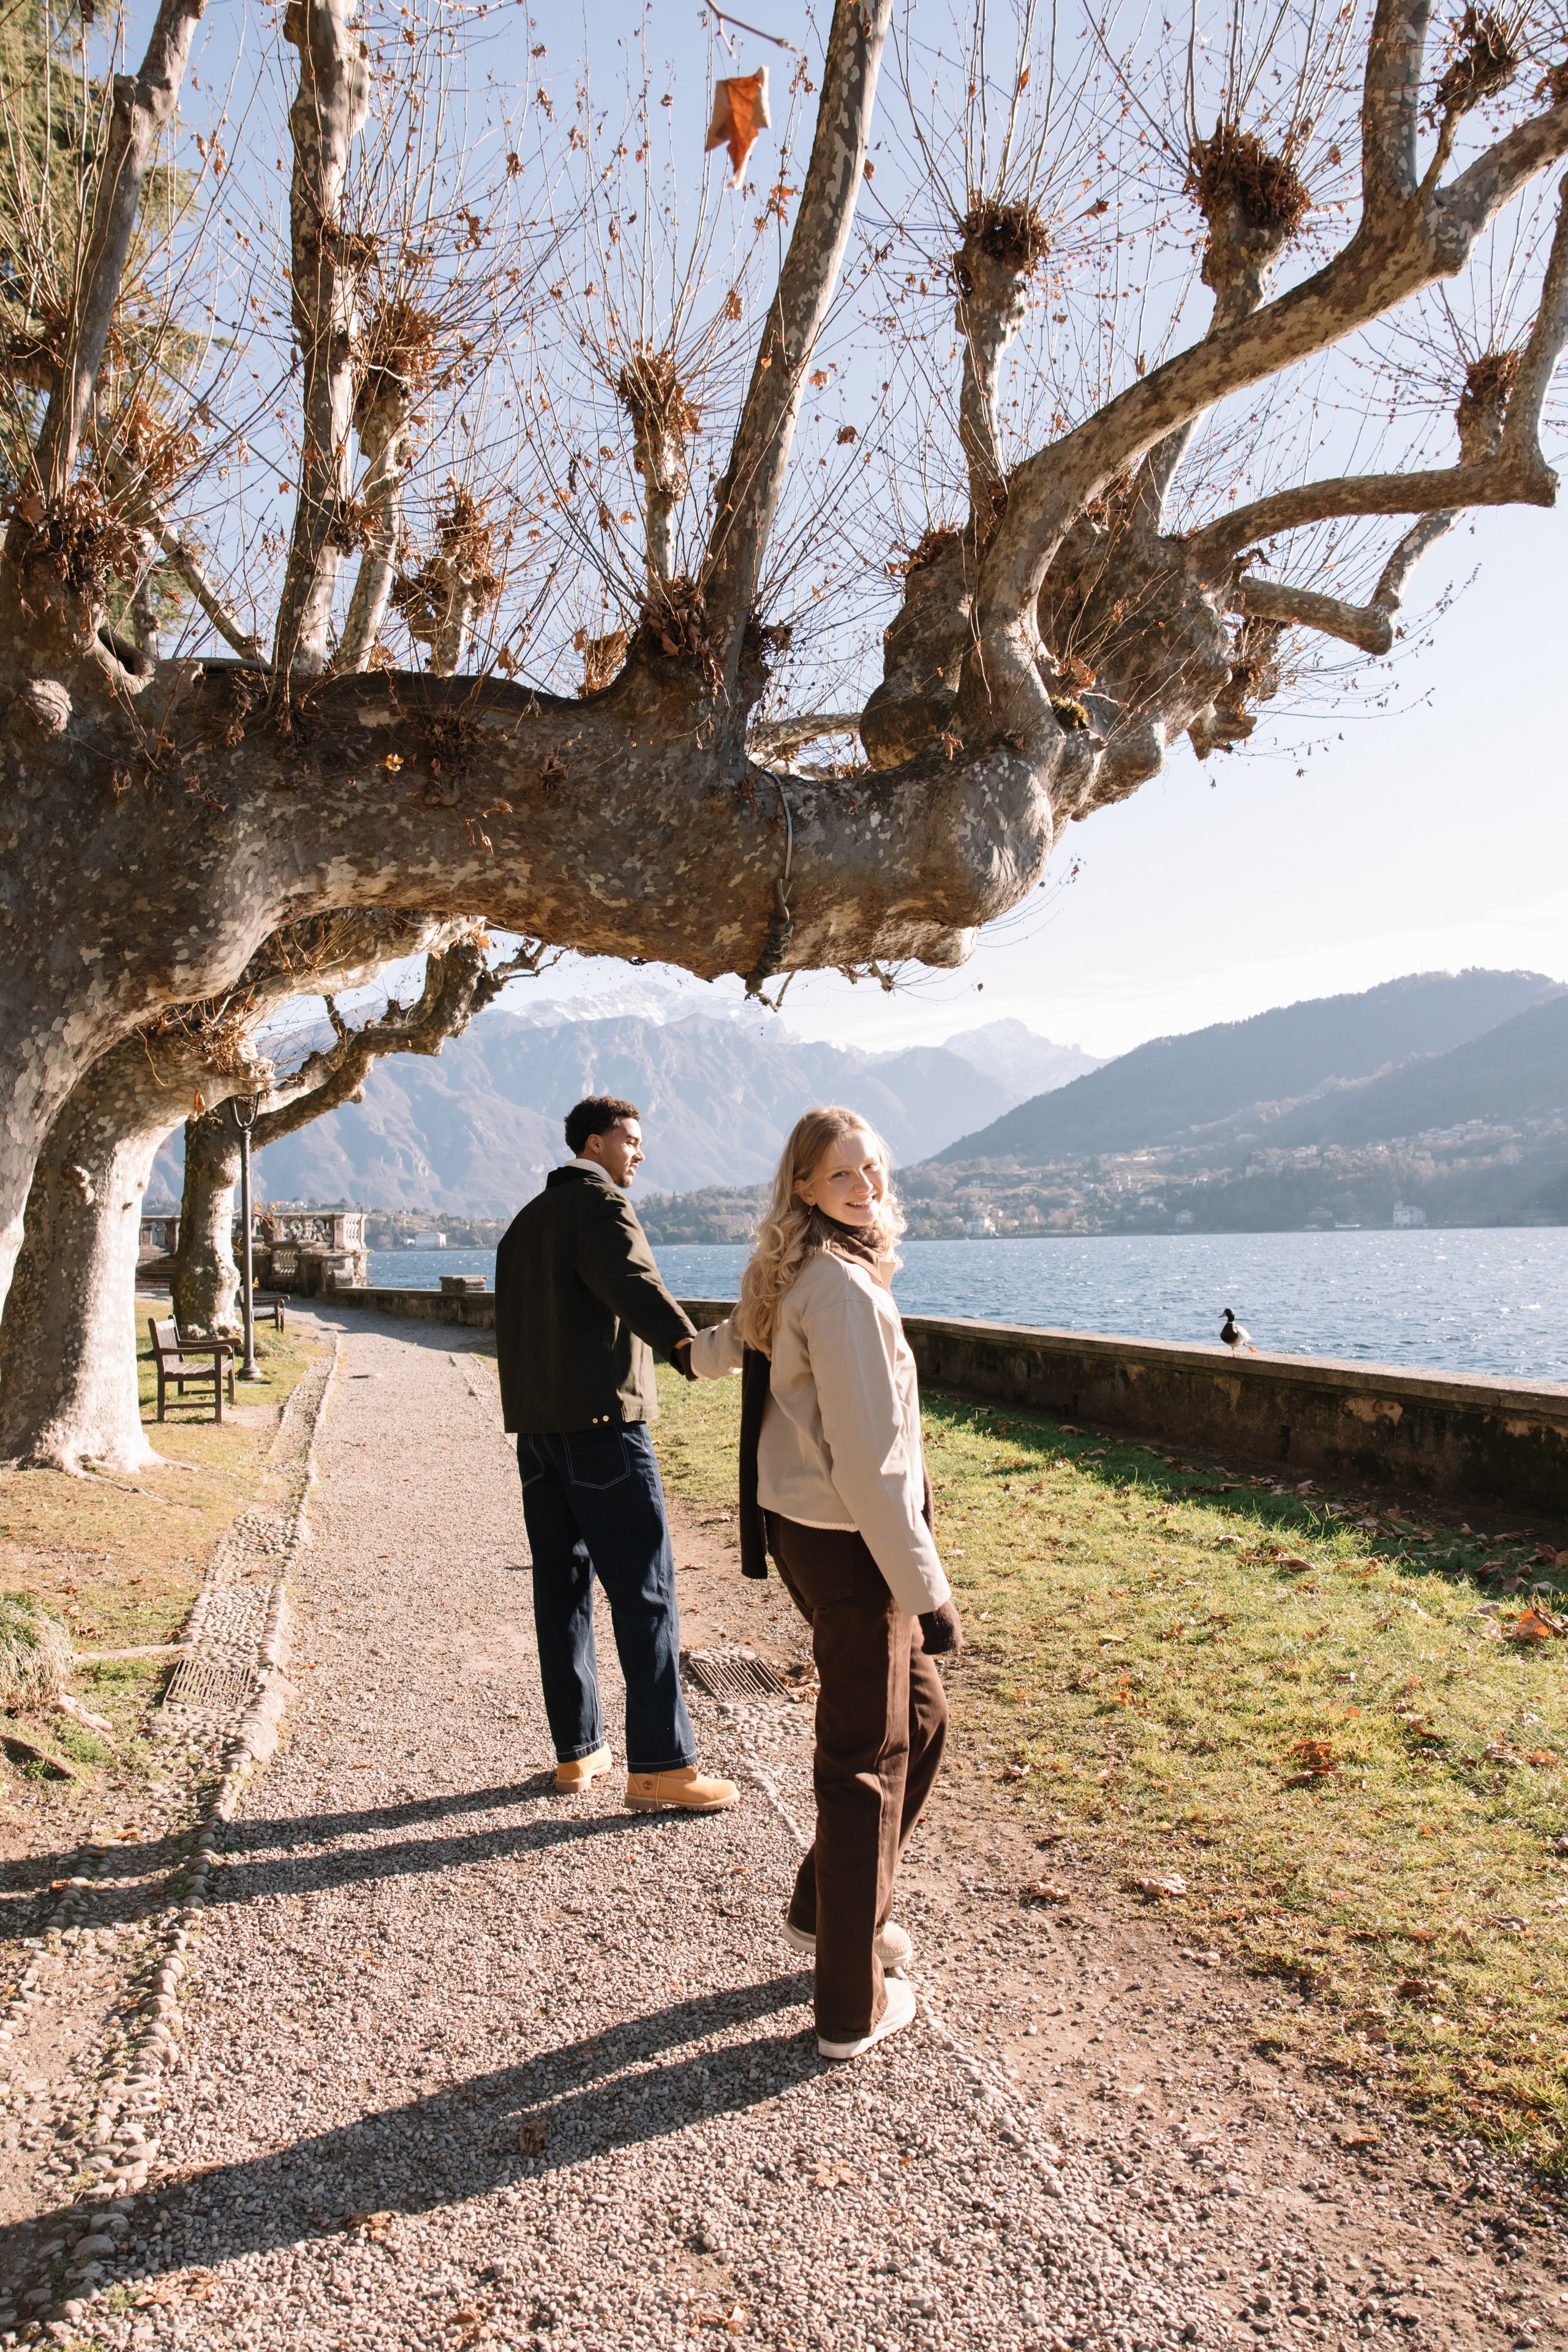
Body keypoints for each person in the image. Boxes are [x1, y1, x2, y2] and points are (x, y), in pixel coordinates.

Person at [687, 1106, 960, 2060]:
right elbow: (874, 1463)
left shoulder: (797, 1268)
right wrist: (927, 1593)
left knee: (919, 1724)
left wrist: (690, 1354)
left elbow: (743, 1338)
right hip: (853, 1548)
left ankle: (826, 1908)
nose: (867, 1185)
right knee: (865, 1763)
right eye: (844, 1174)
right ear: (804, 1185)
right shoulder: (840, 1290)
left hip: (811, 1537)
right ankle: (851, 2003)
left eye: (875, 1168)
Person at [494, 1095, 737, 1815]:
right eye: (630, 1140)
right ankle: (662, 1765)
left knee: (560, 1591)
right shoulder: (599, 1207)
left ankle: (578, 1752)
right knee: (645, 1591)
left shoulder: (522, 1226)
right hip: (603, 1426)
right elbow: (633, 1283)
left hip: (537, 1435)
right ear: (594, 1143)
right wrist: (687, 1348)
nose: (639, 1153)